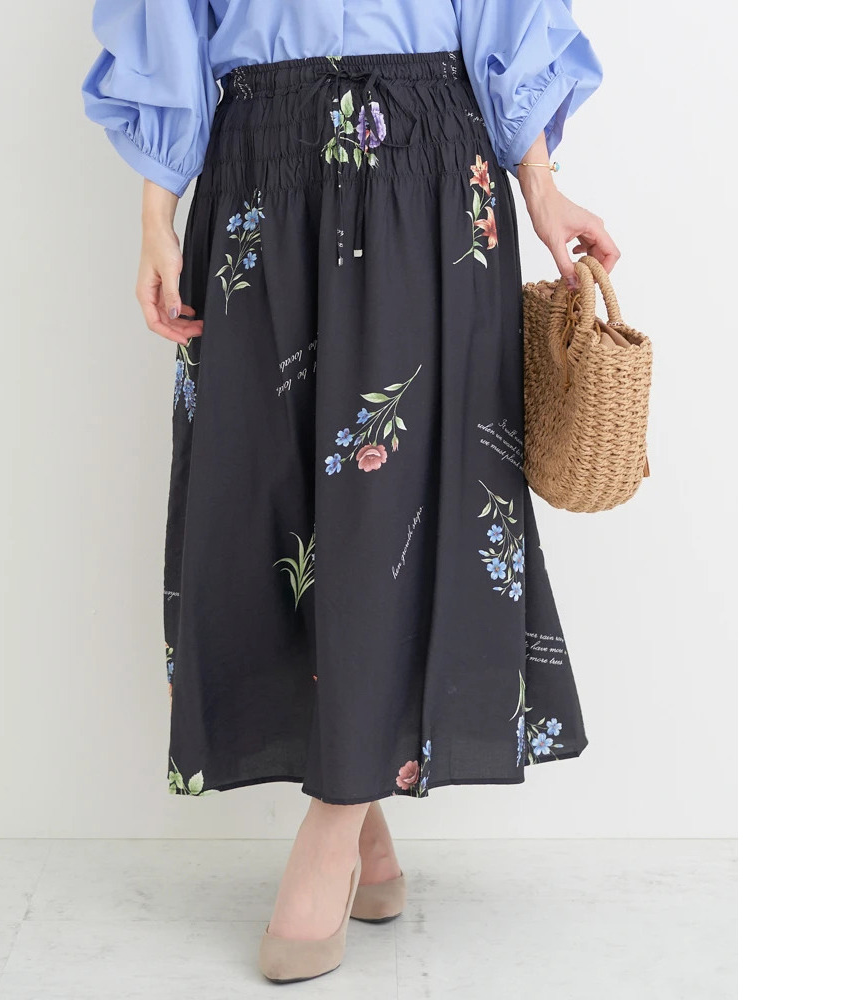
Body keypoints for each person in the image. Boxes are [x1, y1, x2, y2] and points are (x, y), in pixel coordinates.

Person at [83, 0, 617, 983]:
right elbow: (165, 17)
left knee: (392, 507)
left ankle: (333, 826)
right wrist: (156, 214)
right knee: (261, 496)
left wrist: (541, 184)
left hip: (429, 156)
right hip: (255, 156)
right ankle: (366, 826)